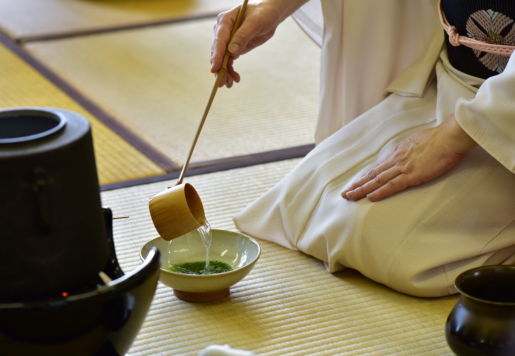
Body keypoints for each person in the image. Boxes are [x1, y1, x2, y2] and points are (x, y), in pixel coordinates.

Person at [211, 0, 515, 297]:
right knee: (299, 203)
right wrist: (274, 6)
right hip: (449, 78)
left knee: (381, 240)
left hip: (505, 112)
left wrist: (452, 137)